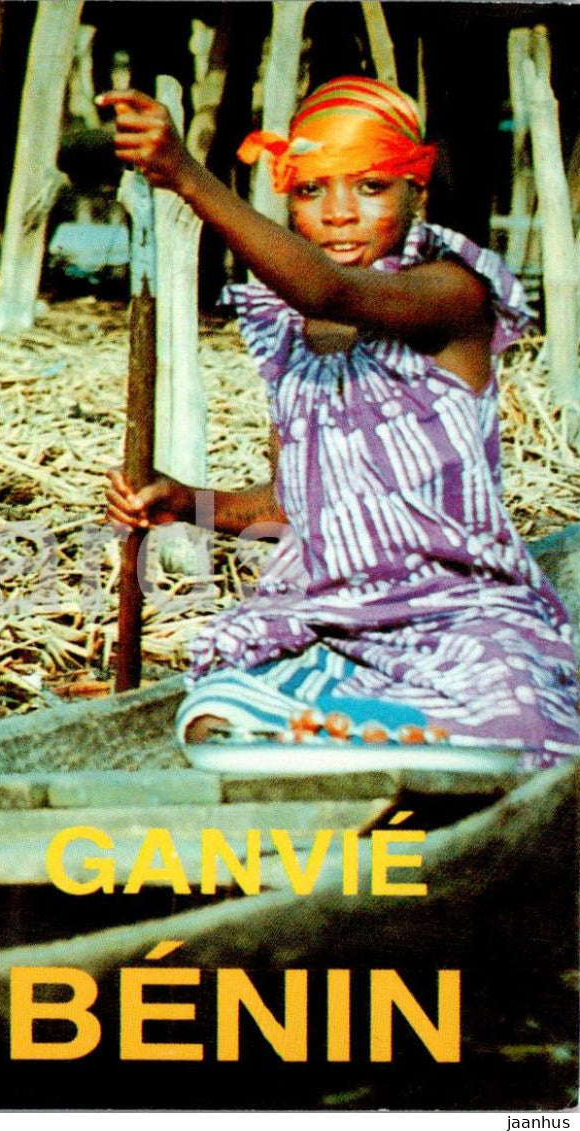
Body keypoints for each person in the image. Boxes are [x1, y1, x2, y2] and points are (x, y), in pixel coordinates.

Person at [100, 76, 579, 768]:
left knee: (517, 717)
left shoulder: (451, 294)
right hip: (328, 619)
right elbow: (293, 505)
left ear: (417, 191)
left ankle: (373, 741)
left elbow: (330, 287)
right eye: (311, 191)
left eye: (371, 188)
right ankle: (374, 736)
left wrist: (185, 175)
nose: (340, 214)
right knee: (212, 716)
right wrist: (186, 502)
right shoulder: (291, 337)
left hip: (458, 610)